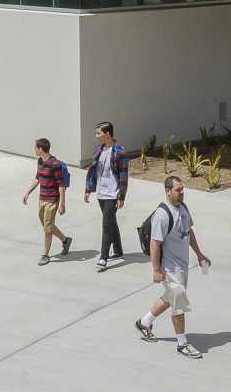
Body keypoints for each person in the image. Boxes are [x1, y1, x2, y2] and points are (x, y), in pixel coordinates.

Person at [134, 175, 211, 359]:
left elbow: (188, 231)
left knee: (171, 297)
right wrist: (156, 270)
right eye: (178, 190)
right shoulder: (162, 214)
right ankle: (182, 343)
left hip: (182, 265)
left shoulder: (183, 208)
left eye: (182, 189)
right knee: (179, 302)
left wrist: (199, 255)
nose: (182, 192)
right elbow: (154, 243)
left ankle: (145, 322)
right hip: (169, 267)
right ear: (167, 191)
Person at [84, 121, 129, 272]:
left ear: (107, 134)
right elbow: (93, 170)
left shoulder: (120, 151)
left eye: (98, 133)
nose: (96, 136)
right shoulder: (99, 149)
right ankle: (118, 249)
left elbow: (123, 175)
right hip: (101, 192)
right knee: (110, 221)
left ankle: (103, 257)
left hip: (113, 192)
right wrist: (88, 189)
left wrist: (121, 196)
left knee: (106, 224)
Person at [22, 138, 71, 266]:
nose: (34, 150)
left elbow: (61, 184)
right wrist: (28, 192)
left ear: (41, 149)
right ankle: (65, 241)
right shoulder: (40, 161)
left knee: (47, 229)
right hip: (41, 199)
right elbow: (37, 177)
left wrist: (62, 203)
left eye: (35, 148)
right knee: (47, 226)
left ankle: (46, 255)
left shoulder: (55, 164)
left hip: (52, 200)